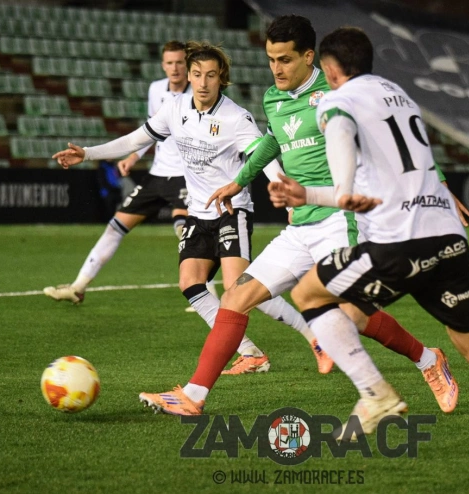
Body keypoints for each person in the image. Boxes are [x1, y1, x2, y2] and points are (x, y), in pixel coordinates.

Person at [268, 27, 469, 464]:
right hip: (449, 239)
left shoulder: (337, 99)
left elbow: (340, 134)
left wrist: (336, 191)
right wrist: (313, 194)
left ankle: (376, 394)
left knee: (308, 294)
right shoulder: (399, 96)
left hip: (399, 241)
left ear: (329, 68)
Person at [138, 15, 459, 417]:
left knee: (349, 314)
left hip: (341, 220)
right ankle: (193, 396)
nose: (276, 68)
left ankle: (427, 361)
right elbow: (272, 141)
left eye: (285, 59)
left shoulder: (340, 94)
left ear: (309, 57)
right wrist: (239, 182)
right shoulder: (273, 98)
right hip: (300, 225)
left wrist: (439, 182)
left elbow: (395, 136)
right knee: (236, 297)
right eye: (271, 59)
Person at [52, 41, 311, 372]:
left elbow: (263, 156)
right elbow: (134, 141)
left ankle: (313, 335)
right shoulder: (174, 108)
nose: (203, 83)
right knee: (190, 283)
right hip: (198, 213)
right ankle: (249, 352)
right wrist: (88, 153)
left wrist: (284, 191)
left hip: (231, 210)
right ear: (189, 76)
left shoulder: (236, 118)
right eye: (197, 74)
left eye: (211, 75)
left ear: (221, 79)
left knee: (240, 289)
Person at [43, 41, 192, 305]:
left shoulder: (198, 93)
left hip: (186, 175)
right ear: (163, 65)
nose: (175, 68)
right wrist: (133, 157)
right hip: (157, 174)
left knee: (185, 231)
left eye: (180, 62)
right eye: (170, 63)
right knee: (115, 227)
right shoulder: (156, 89)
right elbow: (150, 131)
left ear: (187, 64)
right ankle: (77, 287)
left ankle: (206, 297)